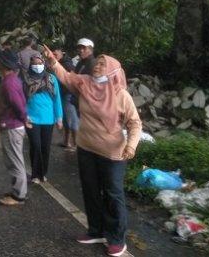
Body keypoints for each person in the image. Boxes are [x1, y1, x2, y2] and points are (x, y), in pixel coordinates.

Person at [42, 44, 142, 257]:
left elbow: (135, 123)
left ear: (113, 71)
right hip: (86, 148)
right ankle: (96, 230)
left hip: (113, 154)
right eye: (98, 63)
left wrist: (131, 145)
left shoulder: (120, 95)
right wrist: (52, 61)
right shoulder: (85, 83)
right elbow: (66, 76)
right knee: (90, 191)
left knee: (113, 195)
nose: (98, 66)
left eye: (103, 65)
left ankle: (116, 238)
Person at [21, 55, 63, 184]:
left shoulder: (51, 78)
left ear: (44, 63)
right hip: (32, 118)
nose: (37, 65)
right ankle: (35, 174)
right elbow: (21, 99)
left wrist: (59, 118)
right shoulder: (26, 79)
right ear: (30, 64)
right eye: (34, 63)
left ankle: (43, 173)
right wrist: (23, 115)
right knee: (35, 145)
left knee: (45, 147)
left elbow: (57, 99)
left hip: (48, 119)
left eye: (40, 62)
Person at [0, 49, 28, 206]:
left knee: (15, 161)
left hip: (12, 126)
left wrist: (24, 118)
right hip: (11, 124)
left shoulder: (9, 83)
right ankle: (17, 190)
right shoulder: (11, 79)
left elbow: (18, 105)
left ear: (3, 64)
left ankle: (19, 195)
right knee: (13, 160)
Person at [53, 47, 79, 150]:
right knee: (66, 120)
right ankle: (66, 141)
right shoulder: (60, 62)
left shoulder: (67, 64)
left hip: (68, 94)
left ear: (62, 52)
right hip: (62, 94)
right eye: (53, 54)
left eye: (56, 54)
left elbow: (73, 78)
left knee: (72, 119)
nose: (54, 56)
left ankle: (76, 144)